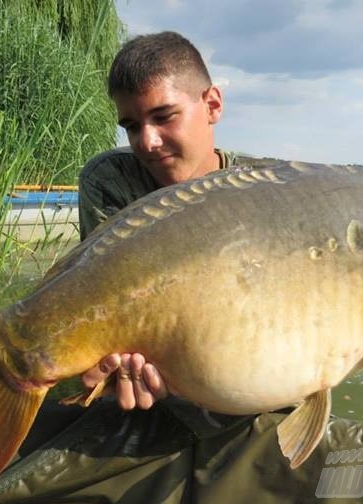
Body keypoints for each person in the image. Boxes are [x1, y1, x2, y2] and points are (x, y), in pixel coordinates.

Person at [77, 31, 266, 411]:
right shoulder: (109, 180)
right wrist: (111, 365)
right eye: (131, 126)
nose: (146, 141)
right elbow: (101, 304)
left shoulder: (263, 189)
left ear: (212, 105)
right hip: (152, 384)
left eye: (163, 117)